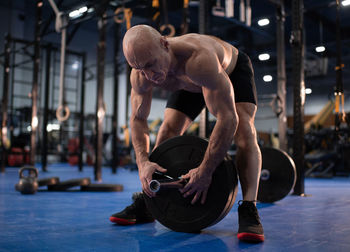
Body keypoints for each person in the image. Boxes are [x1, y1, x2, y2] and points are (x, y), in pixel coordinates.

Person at [110, 24, 264, 243]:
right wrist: (143, 163)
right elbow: (138, 119)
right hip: (189, 83)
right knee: (167, 132)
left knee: (245, 132)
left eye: (151, 64)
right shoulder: (141, 74)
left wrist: (205, 171)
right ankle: (151, 199)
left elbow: (228, 118)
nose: (149, 75)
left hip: (229, 70)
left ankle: (249, 206)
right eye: (140, 68)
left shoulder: (198, 58)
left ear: (164, 44)